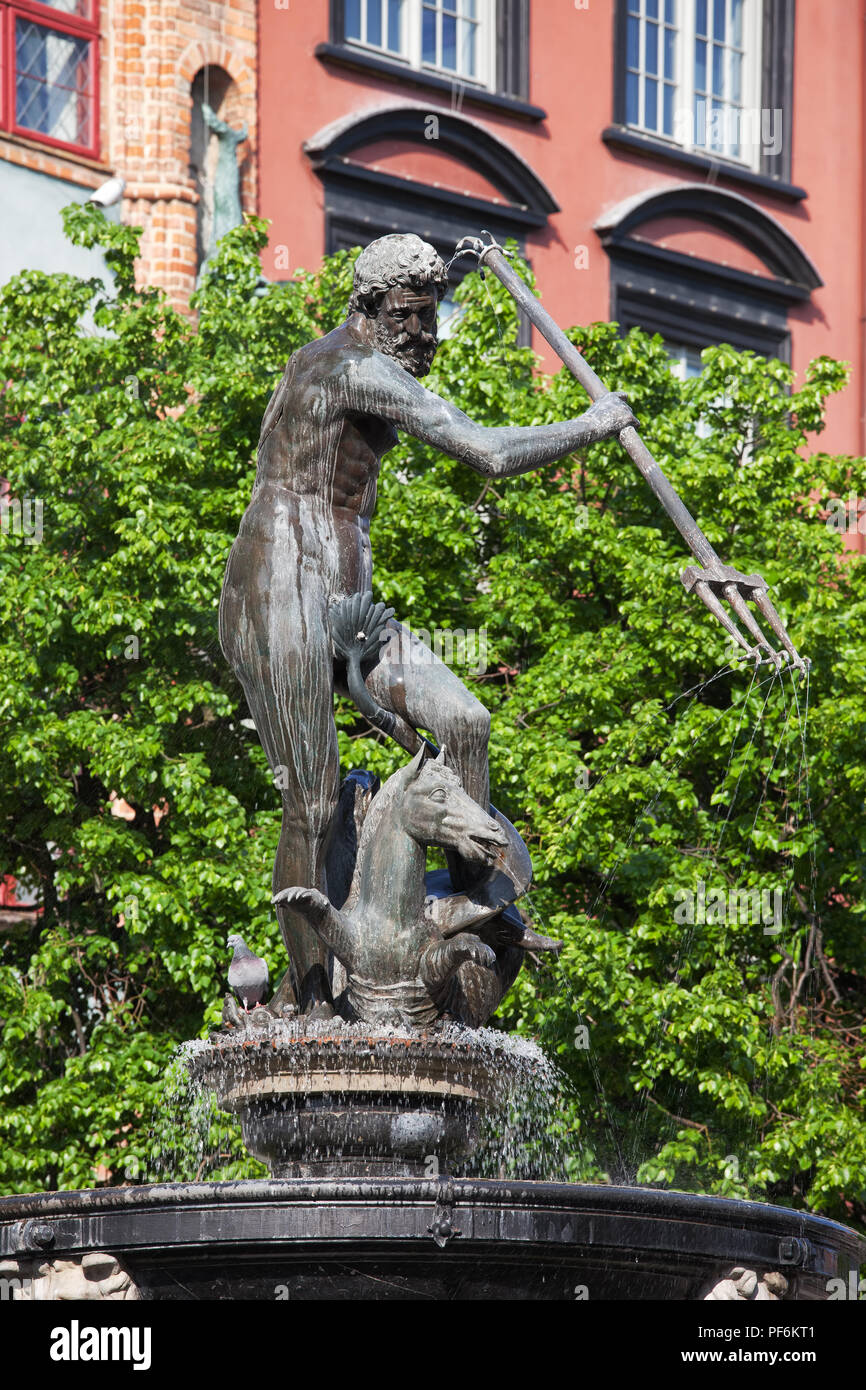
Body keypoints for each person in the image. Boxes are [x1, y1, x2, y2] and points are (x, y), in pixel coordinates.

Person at [219, 233, 636, 1013]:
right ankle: (311, 1000)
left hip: (349, 602)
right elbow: (485, 452)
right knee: (311, 804)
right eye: (410, 317)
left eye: (433, 315)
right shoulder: (350, 366)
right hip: (277, 589)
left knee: (466, 720)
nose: (426, 335)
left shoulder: (368, 363)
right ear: (369, 309)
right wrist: (596, 424)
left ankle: (467, 906)